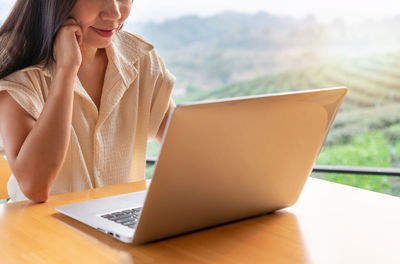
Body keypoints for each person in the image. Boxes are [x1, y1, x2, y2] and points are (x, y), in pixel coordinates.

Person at [0, 0, 175, 202]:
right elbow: (35, 186)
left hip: (117, 227)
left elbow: (188, 146)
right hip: (40, 230)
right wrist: (66, 70)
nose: (115, 13)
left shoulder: (137, 56)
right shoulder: (15, 61)